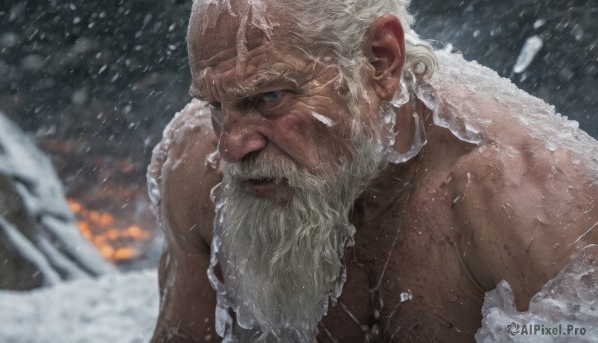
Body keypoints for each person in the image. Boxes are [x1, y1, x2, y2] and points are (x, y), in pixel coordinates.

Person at [148, 0, 598, 342]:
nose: (230, 146)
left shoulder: (532, 201)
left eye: (269, 98)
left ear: (380, 61)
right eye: (215, 105)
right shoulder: (198, 166)